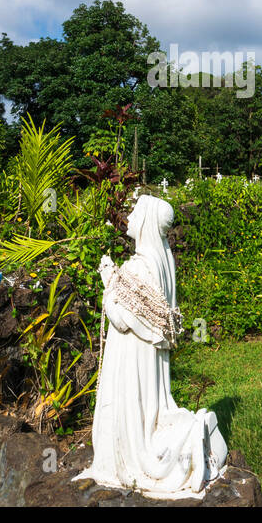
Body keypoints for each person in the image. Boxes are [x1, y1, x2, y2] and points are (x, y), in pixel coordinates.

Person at [75, 194, 227, 499]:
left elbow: (122, 318)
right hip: (147, 355)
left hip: (133, 356)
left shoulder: (143, 265)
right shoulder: (163, 258)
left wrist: (108, 281)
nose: (129, 216)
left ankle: (169, 447)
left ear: (145, 220)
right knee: (149, 406)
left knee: (136, 416)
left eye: (135, 211)